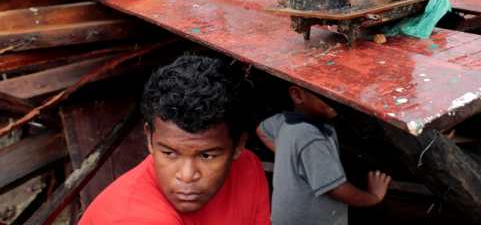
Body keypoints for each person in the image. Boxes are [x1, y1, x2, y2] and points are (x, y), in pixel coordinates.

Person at [80, 55, 270, 225]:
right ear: (149, 137)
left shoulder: (248, 169)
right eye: (169, 153)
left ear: (238, 145)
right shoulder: (133, 218)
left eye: (206, 155)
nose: (186, 176)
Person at [257, 85, 391, 225]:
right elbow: (337, 189)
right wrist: (374, 196)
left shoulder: (283, 121)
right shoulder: (311, 138)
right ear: (297, 95)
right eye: (326, 92)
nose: (336, 98)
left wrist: (292, 159)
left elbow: (262, 131)